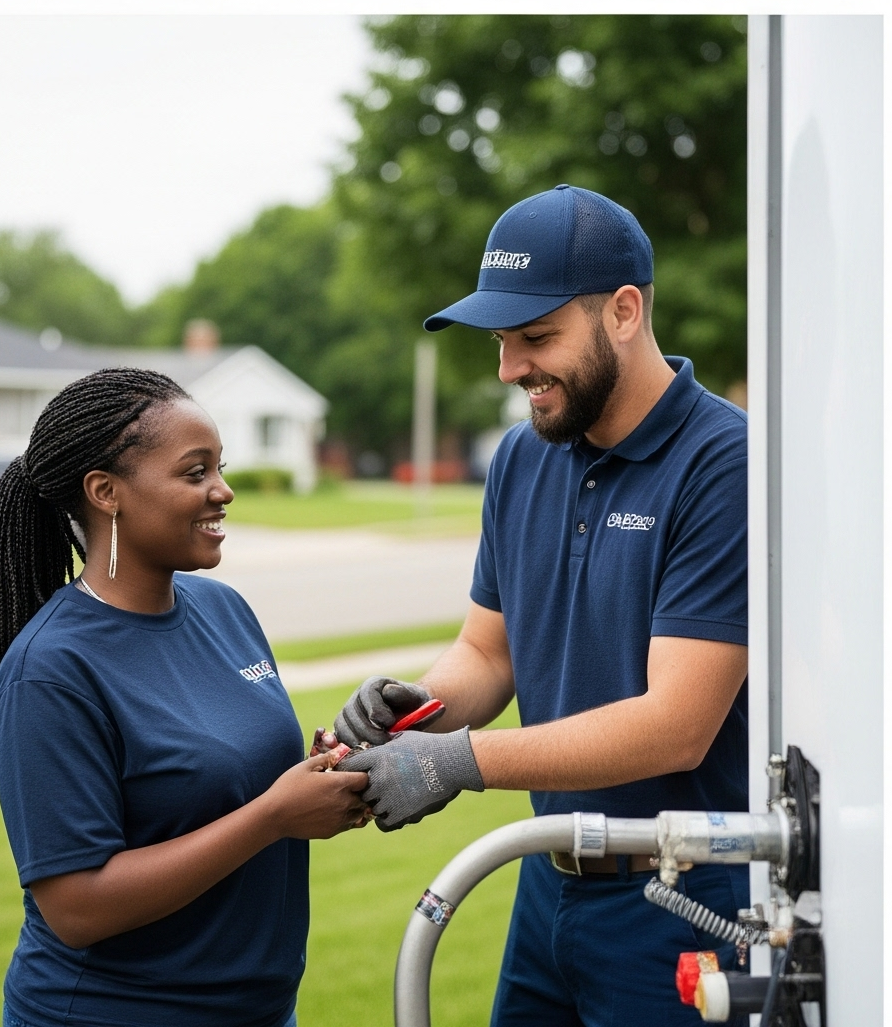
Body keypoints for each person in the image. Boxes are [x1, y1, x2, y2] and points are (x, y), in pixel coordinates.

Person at [334, 185, 749, 1026]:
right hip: (544, 886)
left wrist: (457, 762)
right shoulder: (524, 457)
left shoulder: (724, 463)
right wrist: (418, 712)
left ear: (624, 311)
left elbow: (677, 722)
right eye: (500, 340)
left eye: (535, 338)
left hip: (681, 899)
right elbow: (488, 653)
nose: (509, 369)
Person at [0, 368, 368, 1027]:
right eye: (195, 472)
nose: (224, 491)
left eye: (219, 467)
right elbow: (77, 906)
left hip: (258, 1011)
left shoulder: (224, 609)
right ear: (106, 492)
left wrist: (323, 770)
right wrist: (273, 815)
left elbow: (225, 777)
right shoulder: (50, 670)